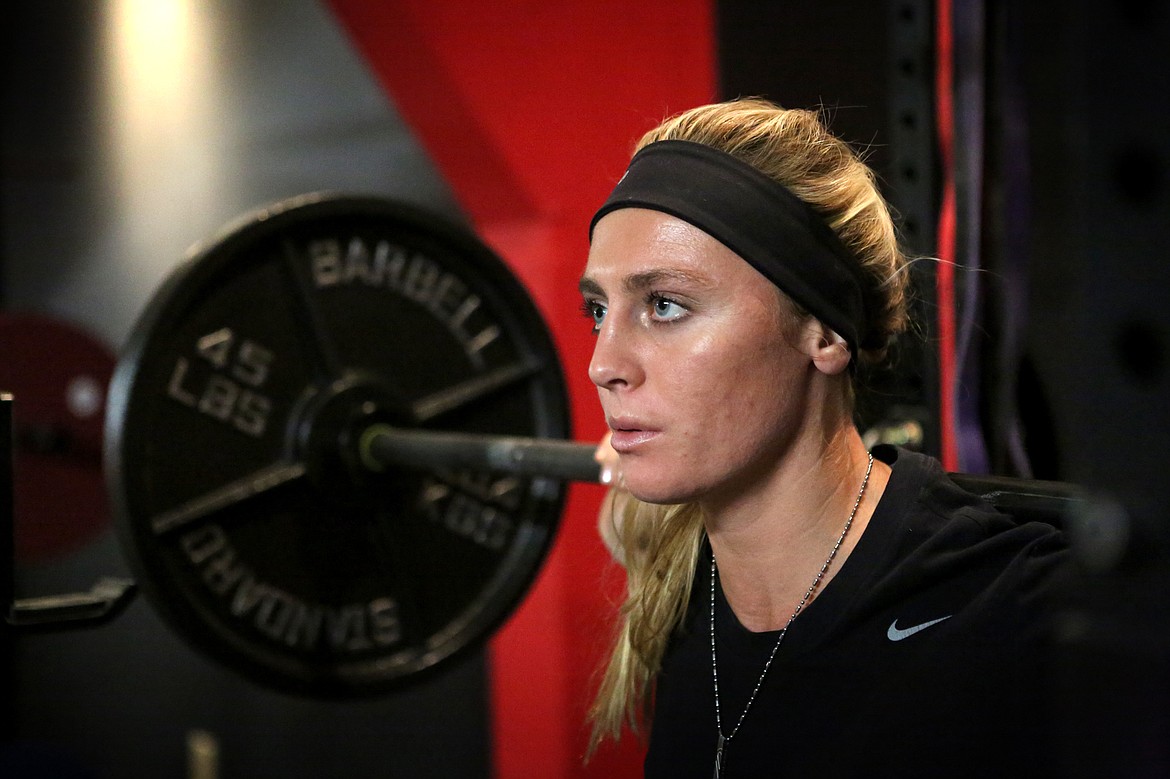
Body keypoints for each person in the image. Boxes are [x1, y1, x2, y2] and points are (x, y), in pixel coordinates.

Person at [578, 98, 1069, 778]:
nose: (604, 363)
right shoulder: (681, 587)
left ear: (824, 332)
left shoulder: (1017, 613)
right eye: (598, 310)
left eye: (665, 305)